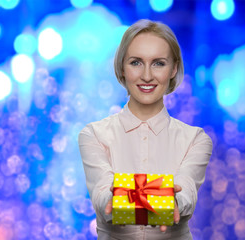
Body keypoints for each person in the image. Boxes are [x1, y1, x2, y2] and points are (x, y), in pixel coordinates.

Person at [78, 19, 213, 240]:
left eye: (158, 63)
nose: (147, 76)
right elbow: (103, 198)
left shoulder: (196, 139)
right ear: (122, 66)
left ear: (174, 69)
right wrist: (161, 201)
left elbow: (185, 193)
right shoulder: (93, 135)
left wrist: (129, 197)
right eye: (136, 62)